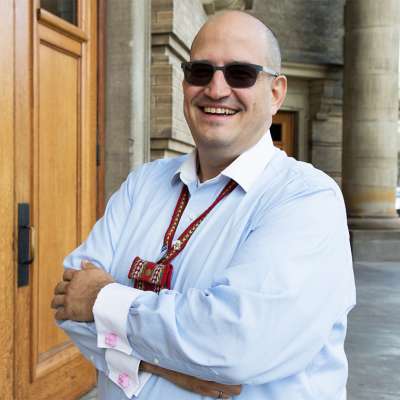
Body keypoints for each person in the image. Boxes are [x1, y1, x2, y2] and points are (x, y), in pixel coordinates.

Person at [51, 10, 356, 400]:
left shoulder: (307, 198)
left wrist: (101, 300)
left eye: (240, 73)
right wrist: (164, 365)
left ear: (276, 92)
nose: (216, 89)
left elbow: (235, 343)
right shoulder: (142, 184)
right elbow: (68, 304)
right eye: (200, 71)